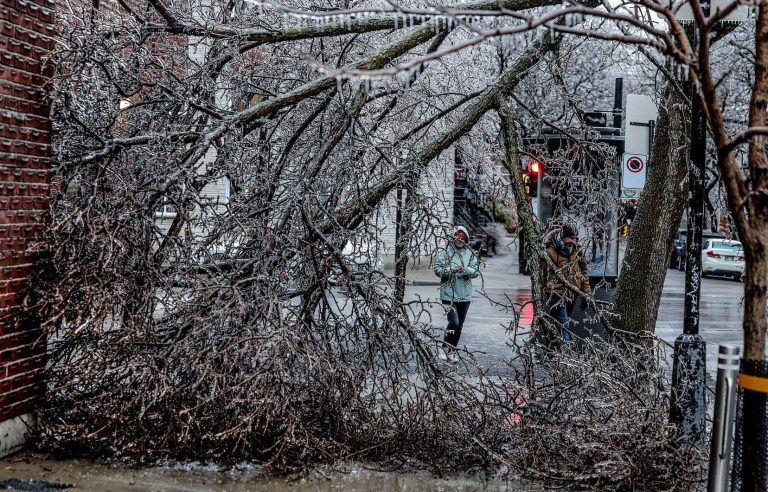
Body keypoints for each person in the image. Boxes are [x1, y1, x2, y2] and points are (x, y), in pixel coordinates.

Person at [433, 225, 480, 361]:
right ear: (453, 238)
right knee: (453, 322)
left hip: (465, 296)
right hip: (449, 295)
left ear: (466, 239)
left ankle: (451, 350)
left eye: (462, 238)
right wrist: (451, 270)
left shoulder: (470, 253)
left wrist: (465, 270)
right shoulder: (445, 253)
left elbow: (475, 271)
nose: (460, 241)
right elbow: (438, 270)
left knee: (459, 325)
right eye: (457, 238)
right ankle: (444, 346)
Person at [541, 224, 591, 345]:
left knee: (560, 322)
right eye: (571, 238)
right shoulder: (550, 251)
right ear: (563, 237)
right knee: (564, 323)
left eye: (575, 238)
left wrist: (586, 292)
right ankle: (566, 352)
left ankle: (552, 344)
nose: (573, 241)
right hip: (556, 294)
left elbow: (583, 270)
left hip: (572, 293)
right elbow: (543, 275)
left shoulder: (577, 249)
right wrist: (547, 290)